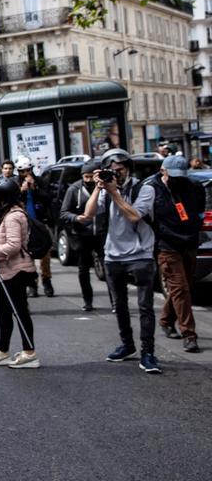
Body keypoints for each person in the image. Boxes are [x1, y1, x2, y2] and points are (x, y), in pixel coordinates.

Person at [79, 148, 162, 373]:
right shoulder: (106, 189)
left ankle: (148, 352)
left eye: (121, 169)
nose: (117, 174)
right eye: (112, 170)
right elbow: (88, 215)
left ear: (128, 168)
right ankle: (127, 345)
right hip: (113, 254)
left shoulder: (145, 189)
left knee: (145, 306)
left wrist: (114, 191)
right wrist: (98, 188)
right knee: (120, 305)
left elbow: (135, 215)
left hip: (141, 254)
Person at [0, 178, 39, 368]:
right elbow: (13, 236)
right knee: (4, 312)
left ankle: (29, 353)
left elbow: (14, 245)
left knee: (19, 313)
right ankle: (3, 350)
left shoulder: (13, 216)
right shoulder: (14, 213)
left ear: (0, 199)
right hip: (8, 272)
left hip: (15, 271)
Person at [154, 155, 204, 353]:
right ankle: (189, 334)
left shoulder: (194, 187)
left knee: (183, 287)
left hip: (189, 243)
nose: (177, 179)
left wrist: (193, 229)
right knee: (180, 288)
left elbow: (199, 212)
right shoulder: (153, 188)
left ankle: (166, 320)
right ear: (163, 171)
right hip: (167, 246)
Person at [58, 160, 101, 311]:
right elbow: (63, 212)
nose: (89, 180)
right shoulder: (74, 189)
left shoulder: (104, 186)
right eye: (86, 177)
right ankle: (87, 301)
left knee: (109, 269)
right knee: (83, 269)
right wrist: (76, 218)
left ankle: (116, 302)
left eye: (92, 176)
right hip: (82, 235)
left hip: (101, 234)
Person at [16, 157, 54, 297]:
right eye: (22, 171)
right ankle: (32, 283)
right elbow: (13, 200)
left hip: (40, 222)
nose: (26, 174)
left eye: (28, 170)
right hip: (24, 223)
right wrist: (22, 190)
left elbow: (49, 198)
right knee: (27, 255)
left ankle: (47, 280)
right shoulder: (16, 183)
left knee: (45, 254)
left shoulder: (40, 181)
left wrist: (35, 188)